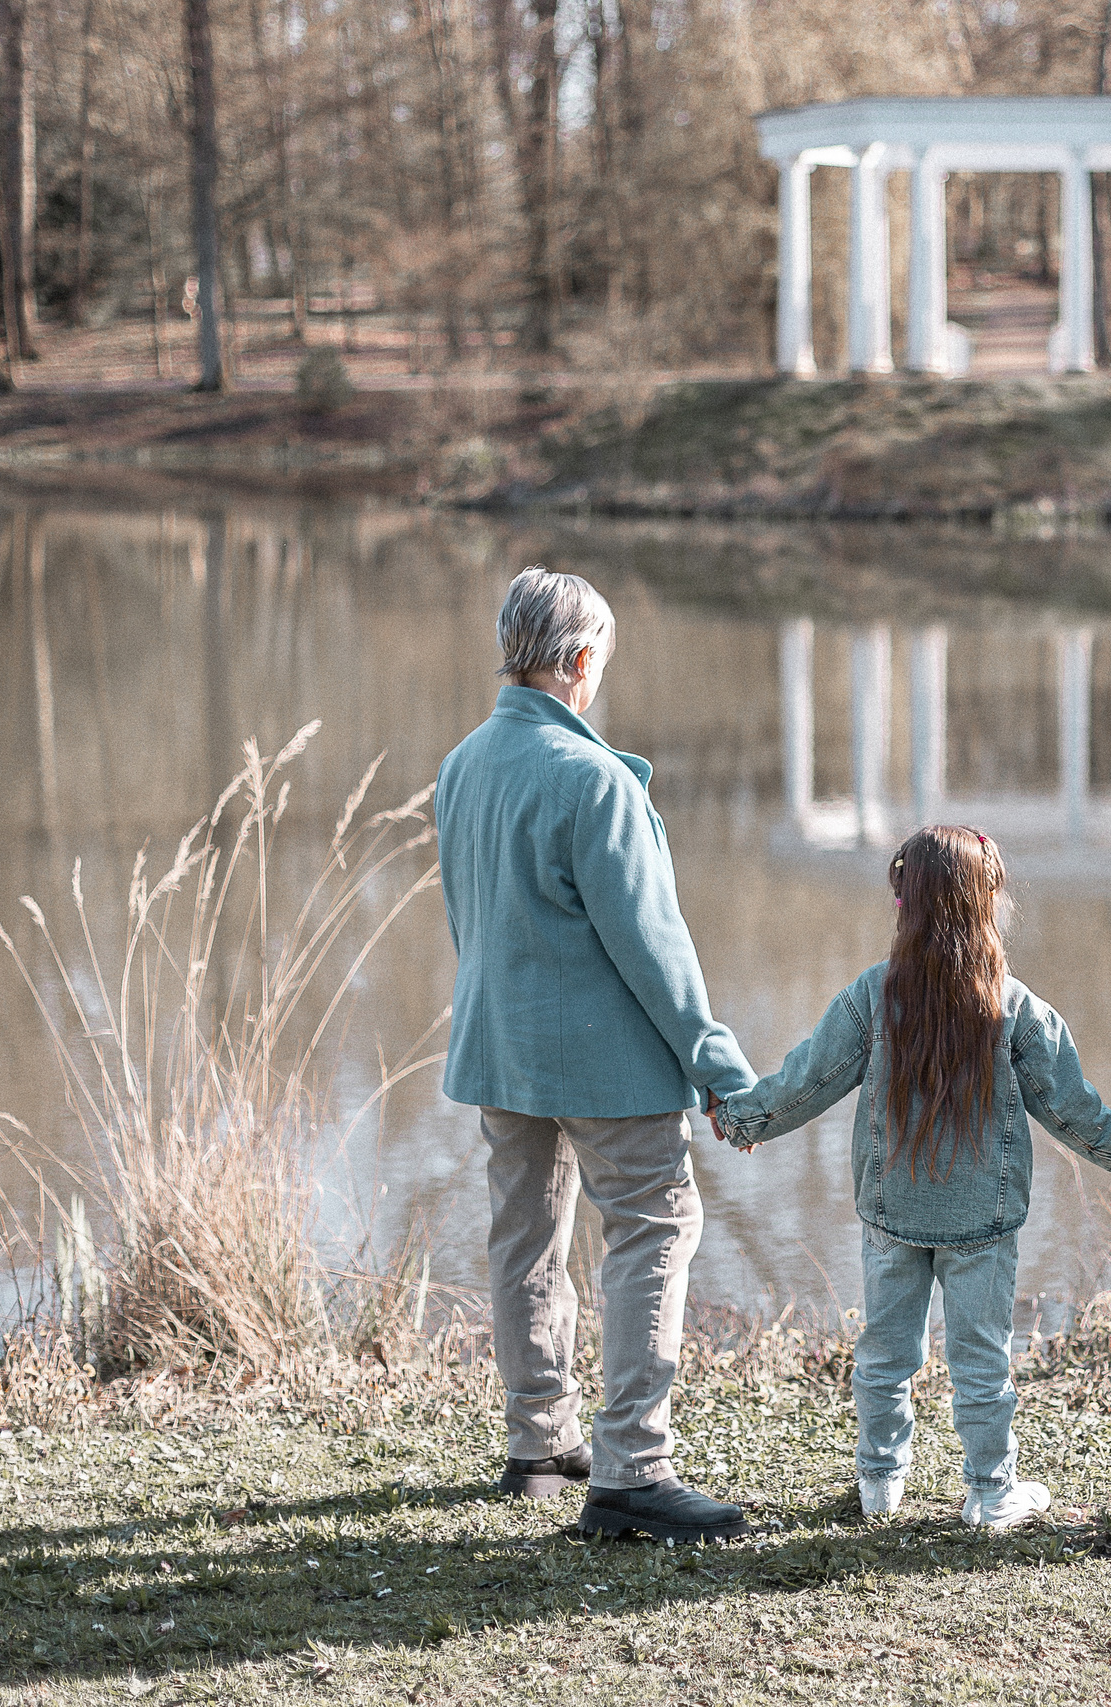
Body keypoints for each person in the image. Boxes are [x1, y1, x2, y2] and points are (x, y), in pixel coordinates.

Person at [435, 566, 757, 1544]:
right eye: (600, 661)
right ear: (579, 661)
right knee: (655, 1227)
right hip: (604, 1062)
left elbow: (469, 913)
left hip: (500, 1048)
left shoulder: (461, 765)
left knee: (525, 1237)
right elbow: (652, 948)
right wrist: (718, 1065)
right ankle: (632, 1470)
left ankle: (538, 1444)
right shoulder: (594, 781)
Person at [712, 826, 1111, 1529]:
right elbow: (1070, 1105)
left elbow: (806, 1079)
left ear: (903, 904)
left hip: (893, 1210)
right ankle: (988, 1489)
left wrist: (743, 1120)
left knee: (886, 1352)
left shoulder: (872, 998)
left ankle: (880, 1482)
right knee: (982, 1360)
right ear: (988, 905)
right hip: (983, 1220)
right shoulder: (1016, 1008)